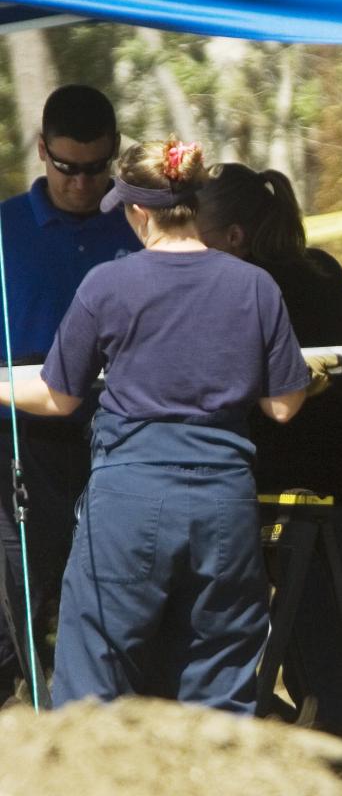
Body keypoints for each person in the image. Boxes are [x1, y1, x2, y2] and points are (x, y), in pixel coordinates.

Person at [0, 137, 311, 712]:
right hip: (224, 503)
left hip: (128, 502)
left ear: (138, 211)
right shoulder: (254, 285)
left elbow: (59, 396)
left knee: (91, 691)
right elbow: (284, 406)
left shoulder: (107, 284)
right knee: (219, 693)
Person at [196, 162, 342, 739]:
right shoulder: (319, 268)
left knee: (327, 672)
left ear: (235, 237)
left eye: (201, 238)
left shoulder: (245, 289)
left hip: (332, 499)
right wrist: (334, 385)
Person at [0, 84, 142, 705]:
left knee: (115, 604)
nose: (82, 184)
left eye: (95, 169)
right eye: (66, 168)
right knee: (12, 606)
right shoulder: (6, 227)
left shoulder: (138, 225)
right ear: (41, 151)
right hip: (19, 433)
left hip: (117, 433)